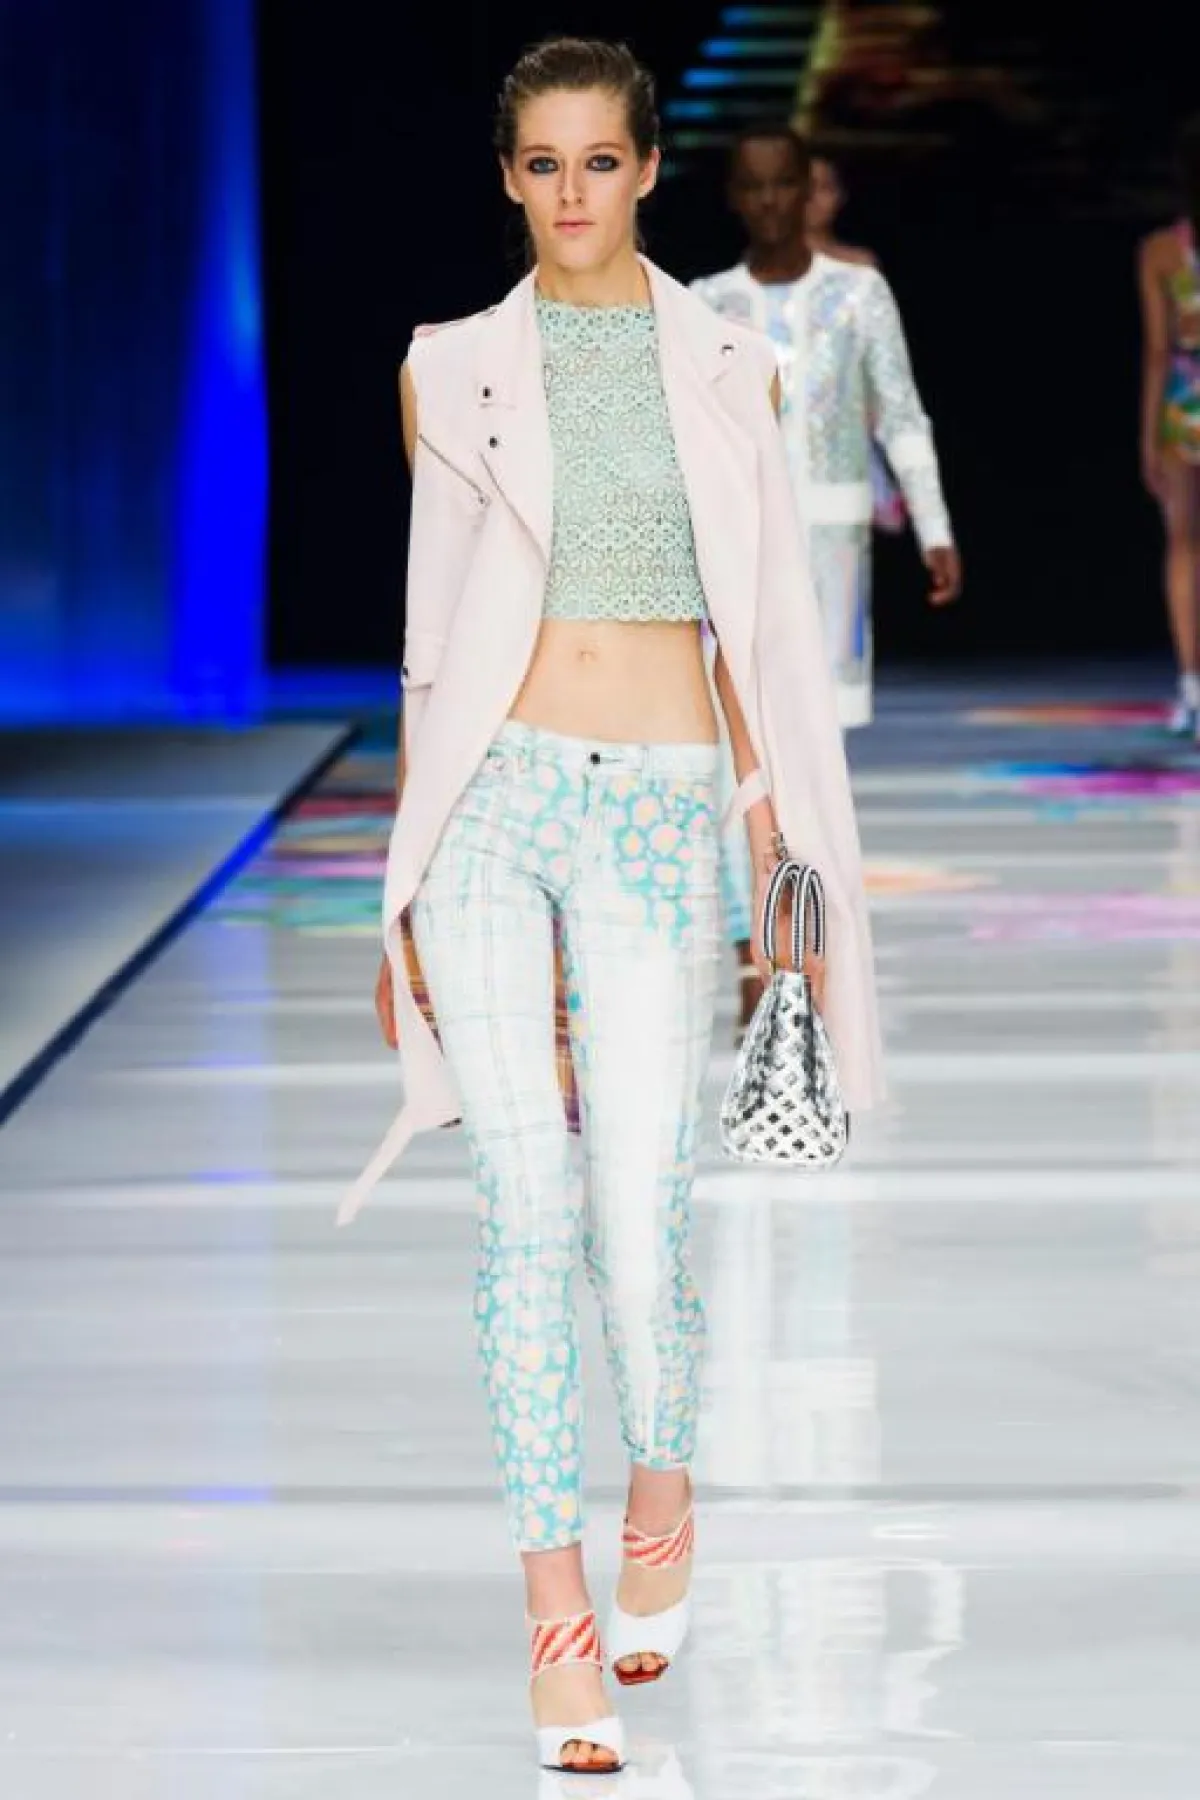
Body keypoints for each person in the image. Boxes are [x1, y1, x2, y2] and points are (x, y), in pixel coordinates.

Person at [339, 38, 884, 1776]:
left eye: (600, 160)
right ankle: (554, 1620)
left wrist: (772, 850)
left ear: (649, 169)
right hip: (493, 809)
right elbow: (429, 647)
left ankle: (662, 1484)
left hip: (659, 808)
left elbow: (763, 640)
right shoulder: (444, 370)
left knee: (639, 1226)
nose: (570, 192)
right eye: (542, 163)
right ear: (508, 178)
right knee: (522, 1211)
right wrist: (401, 892)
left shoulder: (731, 368)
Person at [692, 124, 960, 1029]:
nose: (771, 202)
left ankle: (797, 947)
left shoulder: (858, 295)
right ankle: (750, 953)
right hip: (734, 556)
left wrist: (933, 527)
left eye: (785, 184)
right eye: (754, 186)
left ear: (808, 189)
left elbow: (901, 412)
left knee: (812, 760)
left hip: (833, 557)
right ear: (735, 197)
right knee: (737, 759)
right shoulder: (706, 305)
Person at [1139, 113, 1200, 741]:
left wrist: (1148, 436)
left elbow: (1159, 352)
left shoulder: (1161, 250)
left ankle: (1192, 687)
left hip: (1184, 405)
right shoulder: (1160, 250)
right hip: (1185, 403)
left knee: (1184, 545)